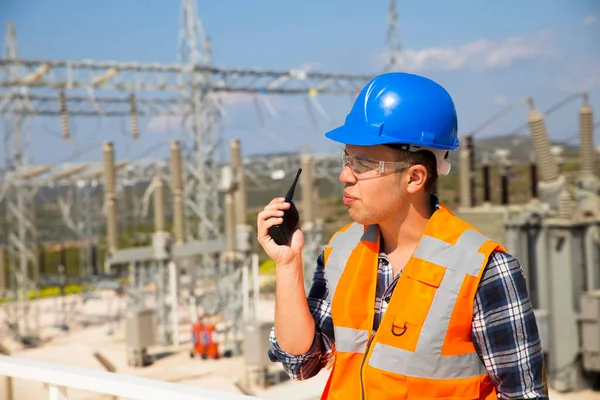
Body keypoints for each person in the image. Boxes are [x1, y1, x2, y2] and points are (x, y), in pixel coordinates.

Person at [256, 72, 548, 399]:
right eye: (346, 159)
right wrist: (287, 264)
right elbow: (301, 363)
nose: (344, 176)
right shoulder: (341, 251)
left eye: (362, 164)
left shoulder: (484, 270)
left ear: (414, 178)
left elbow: (525, 394)